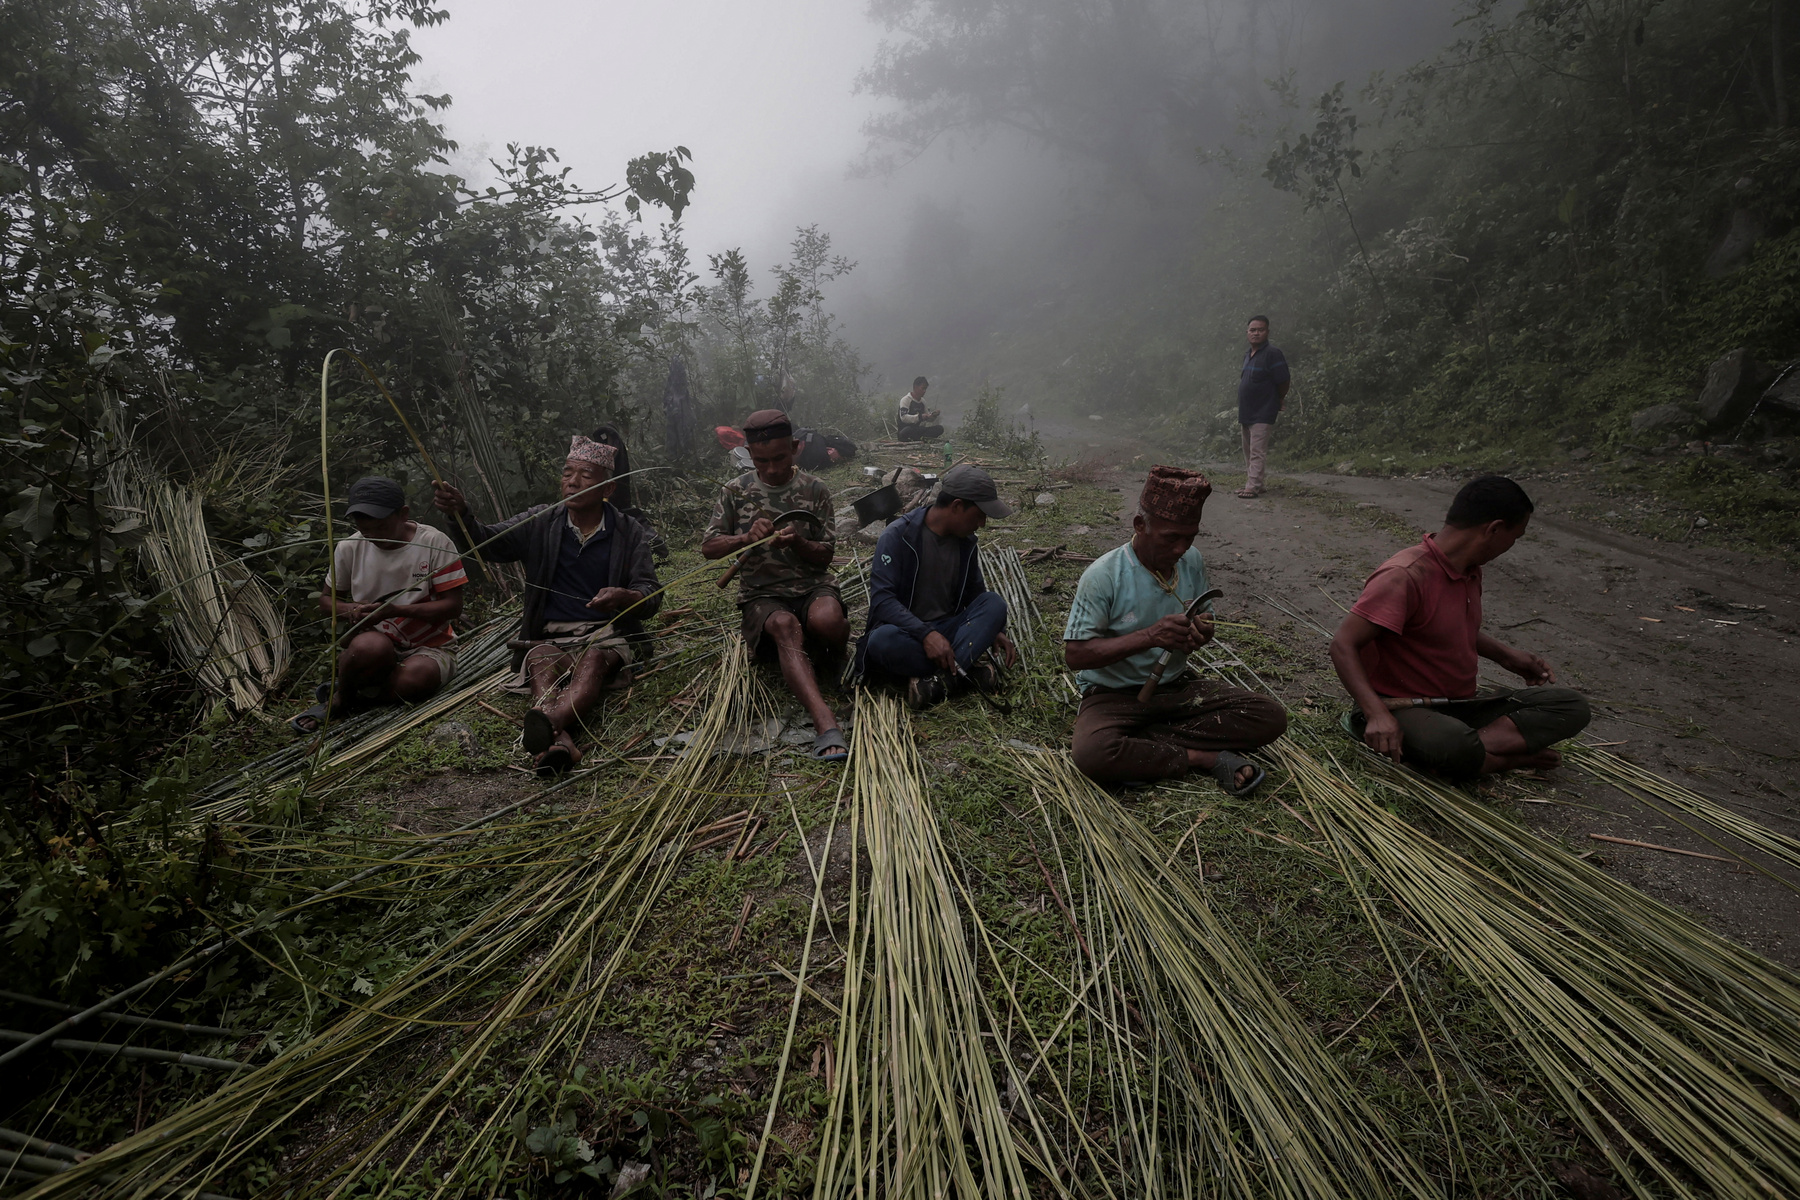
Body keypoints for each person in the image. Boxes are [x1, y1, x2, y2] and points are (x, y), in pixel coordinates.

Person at [1329, 475, 1591, 780]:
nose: (1511, 546)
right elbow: (1342, 645)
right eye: (1515, 536)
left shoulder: (1469, 570)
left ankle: (1473, 754)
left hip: (1460, 705)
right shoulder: (1404, 575)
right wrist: (1376, 714)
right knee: (1451, 744)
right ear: (1493, 529)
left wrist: (1506, 656)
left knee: (1571, 706)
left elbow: (1443, 626)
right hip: (1402, 707)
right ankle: (1499, 759)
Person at [433, 435, 662, 775]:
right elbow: (486, 542)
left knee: (593, 662)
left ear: (608, 489)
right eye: (568, 472)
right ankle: (561, 742)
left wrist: (625, 597)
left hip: (603, 634)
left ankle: (547, 725)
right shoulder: (541, 521)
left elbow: (650, 593)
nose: (572, 482)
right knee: (541, 661)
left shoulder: (628, 531)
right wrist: (461, 514)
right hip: (549, 636)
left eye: (585, 475)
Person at [1064, 466, 1288, 790]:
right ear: (1140, 525)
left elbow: (1205, 615)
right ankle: (1201, 757)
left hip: (1176, 687)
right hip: (1113, 695)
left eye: (1190, 537)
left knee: (1269, 717)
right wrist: (1150, 636)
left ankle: (1143, 740)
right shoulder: (1103, 576)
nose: (1181, 549)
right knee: (1091, 753)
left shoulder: (1191, 560)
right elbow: (1075, 655)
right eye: (1171, 538)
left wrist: (1202, 631)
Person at [701, 409, 851, 762]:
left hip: (811, 586)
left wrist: (798, 542)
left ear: (796, 447)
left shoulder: (815, 489)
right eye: (761, 460)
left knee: (828, 620)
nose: (770, 468)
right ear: (749, 455)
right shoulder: (735, 492)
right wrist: (742, 538)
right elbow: (709, 548)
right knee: (784, 625)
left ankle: (832, 654)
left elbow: (825, 556)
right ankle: (825, 721)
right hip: (762, 595)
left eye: (779, 458)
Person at [292, 476, 467, 734]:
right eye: (365, 529)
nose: (373, 536)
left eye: (382, 527)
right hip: (376, 642)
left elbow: (453, 607)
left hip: (430, 645)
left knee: (418, 677)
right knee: (368, 646)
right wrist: (350, 609)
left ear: (403, 514)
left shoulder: (433, 543)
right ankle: (343, 696)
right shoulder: (349, 548)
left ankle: (353, 697)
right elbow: (326, 601)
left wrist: (396, 610)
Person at [857, 464, 1019, 709]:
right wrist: (926, 634)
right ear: (956, 506)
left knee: (994, 604)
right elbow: (883, 601)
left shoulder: (966, 543)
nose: (982, 524)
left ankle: (939, 683)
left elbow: (976, 594)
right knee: (881, 641)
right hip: (908, 633)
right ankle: (965, 673)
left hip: (949, 628)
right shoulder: (898, 537)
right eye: (979, 515)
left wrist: (993, 629)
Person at [1236, 315, 1290, 499]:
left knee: (1257, 450)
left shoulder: (1273, 353)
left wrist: (1280, 398)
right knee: (1248, 450)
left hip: (1264, 409)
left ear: (1267, 332)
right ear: (1247, 333)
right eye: (1252, 330)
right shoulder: (1248, 355)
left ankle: (1252, 487)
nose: (1256, 333)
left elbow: (1283, 380)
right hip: (1246, 410)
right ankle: (1255, 483)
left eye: (1260, 330)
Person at [896, 376, 944, 441]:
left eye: (925, 389)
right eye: (923, 388)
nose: (924, 391)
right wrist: (919, 417)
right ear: (915, 387)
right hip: (905, 430)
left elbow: (928, 419)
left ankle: (920, 439)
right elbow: (904, 418)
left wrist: (933, 416)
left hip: (917, 429)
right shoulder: (906, 400)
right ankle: (918, 439)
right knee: (908, 430)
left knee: (939, 428)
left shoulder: (923, 402)